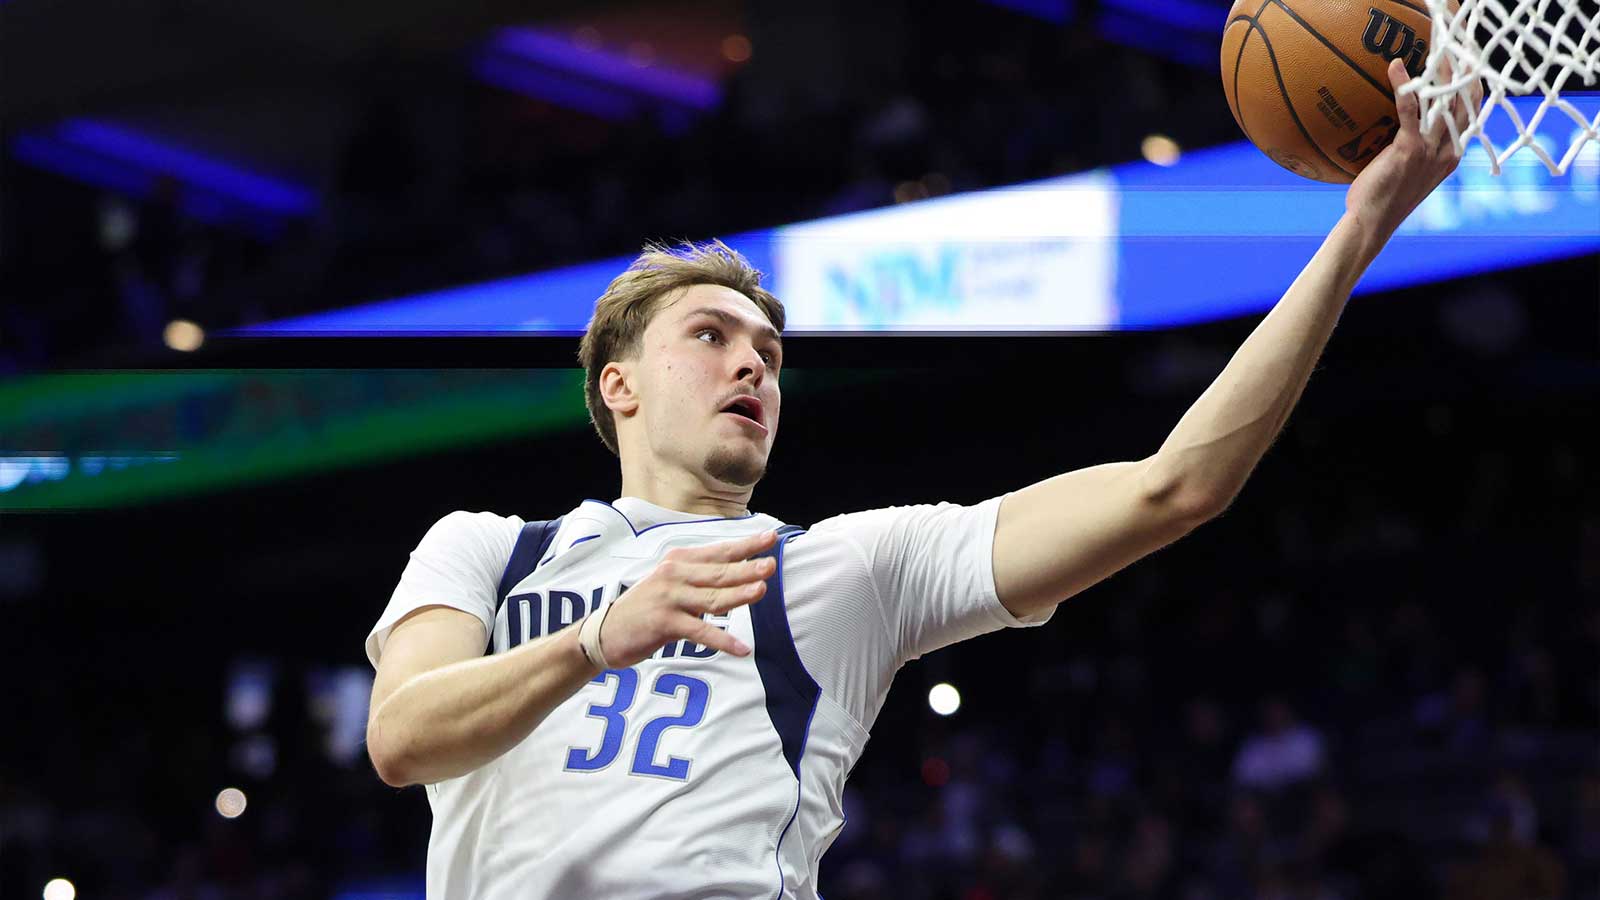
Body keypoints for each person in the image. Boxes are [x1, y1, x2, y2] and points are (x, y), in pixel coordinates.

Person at [363, 60, 1471, 898]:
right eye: (710, 335)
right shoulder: (486, 546)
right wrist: (599, 637)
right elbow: (401, 741)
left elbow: (1171, 487)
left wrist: (1360, 228)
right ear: (619, 385)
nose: (751, 361)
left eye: (769, 354)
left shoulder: (854, 566)